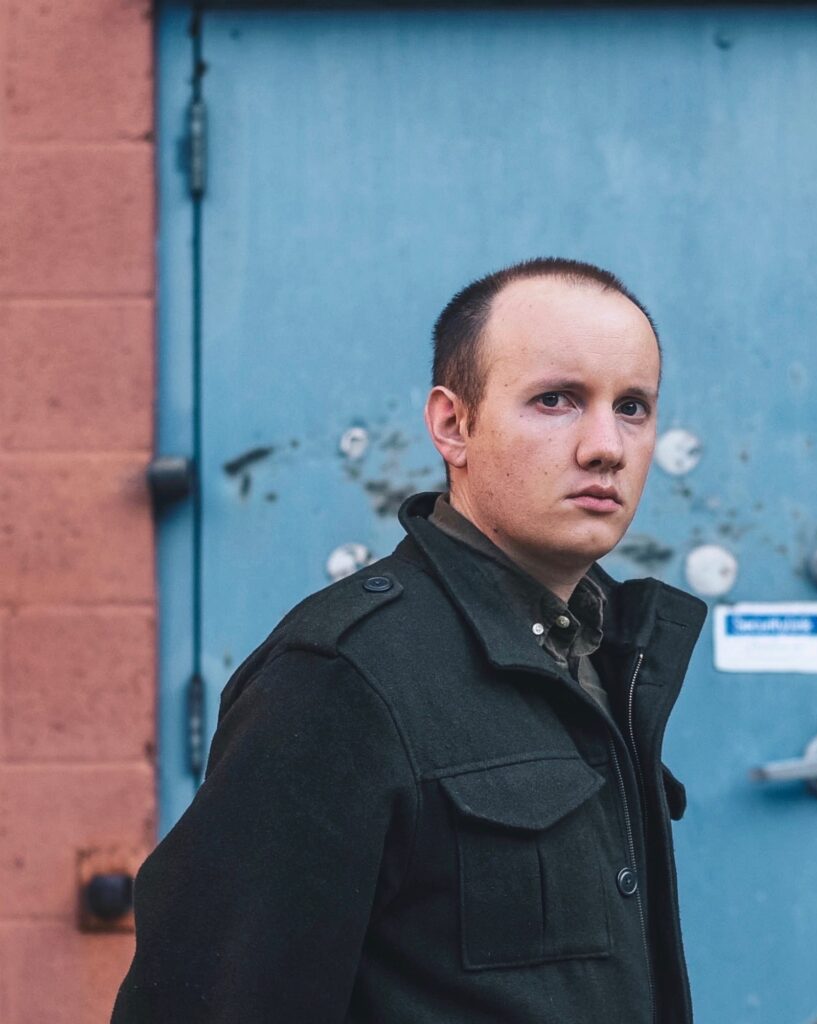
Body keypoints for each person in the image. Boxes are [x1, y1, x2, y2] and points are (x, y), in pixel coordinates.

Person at [111, 257, 708, 1023]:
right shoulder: (343, 676)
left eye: (632, 407)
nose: (606, 446)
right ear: (452, 425)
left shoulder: (605, 656)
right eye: (556, 400)